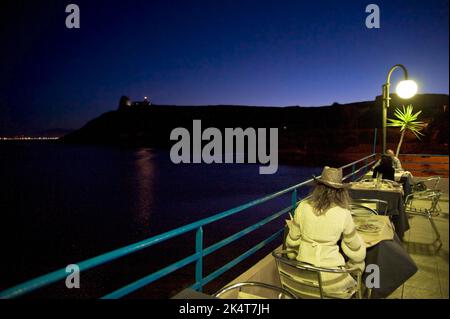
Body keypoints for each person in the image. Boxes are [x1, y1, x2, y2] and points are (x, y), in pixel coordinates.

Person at [285, 166, 366, 299]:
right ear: (340, 192)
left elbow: (292, 240)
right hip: (330, 282)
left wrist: (294, 255)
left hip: (302, 278)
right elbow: (355, 249)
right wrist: (354, 265)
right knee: (358, 269)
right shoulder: (343, 213)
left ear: (318, 188)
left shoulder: (303, 207)